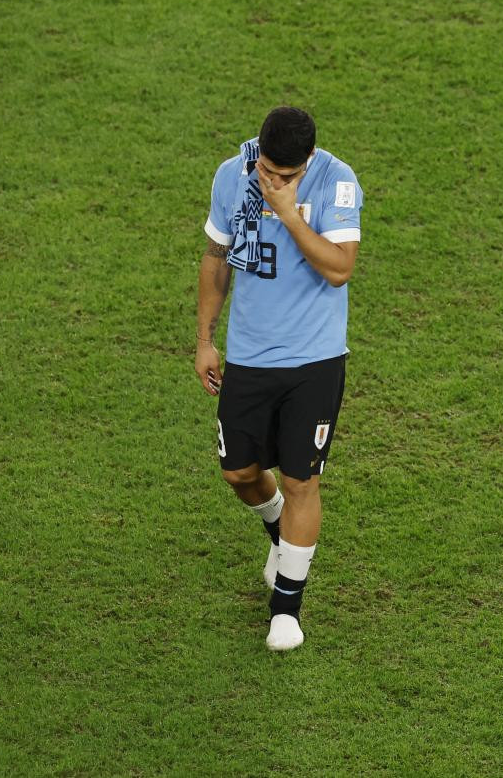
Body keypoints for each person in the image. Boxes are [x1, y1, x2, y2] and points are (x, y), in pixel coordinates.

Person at [195, 106, 362, 651]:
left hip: (314, 360)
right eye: (267, 169)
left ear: (308, 161)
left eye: (285, 176)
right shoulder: (231, 174)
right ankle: (280, 536)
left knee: (300, 482)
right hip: (248, 356)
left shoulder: (337, 181)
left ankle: (286, 609)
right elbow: (217, 258)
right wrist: (204, 339)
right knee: (239, 473)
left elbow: (339, 269)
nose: (272, 181)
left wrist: (289, 213)